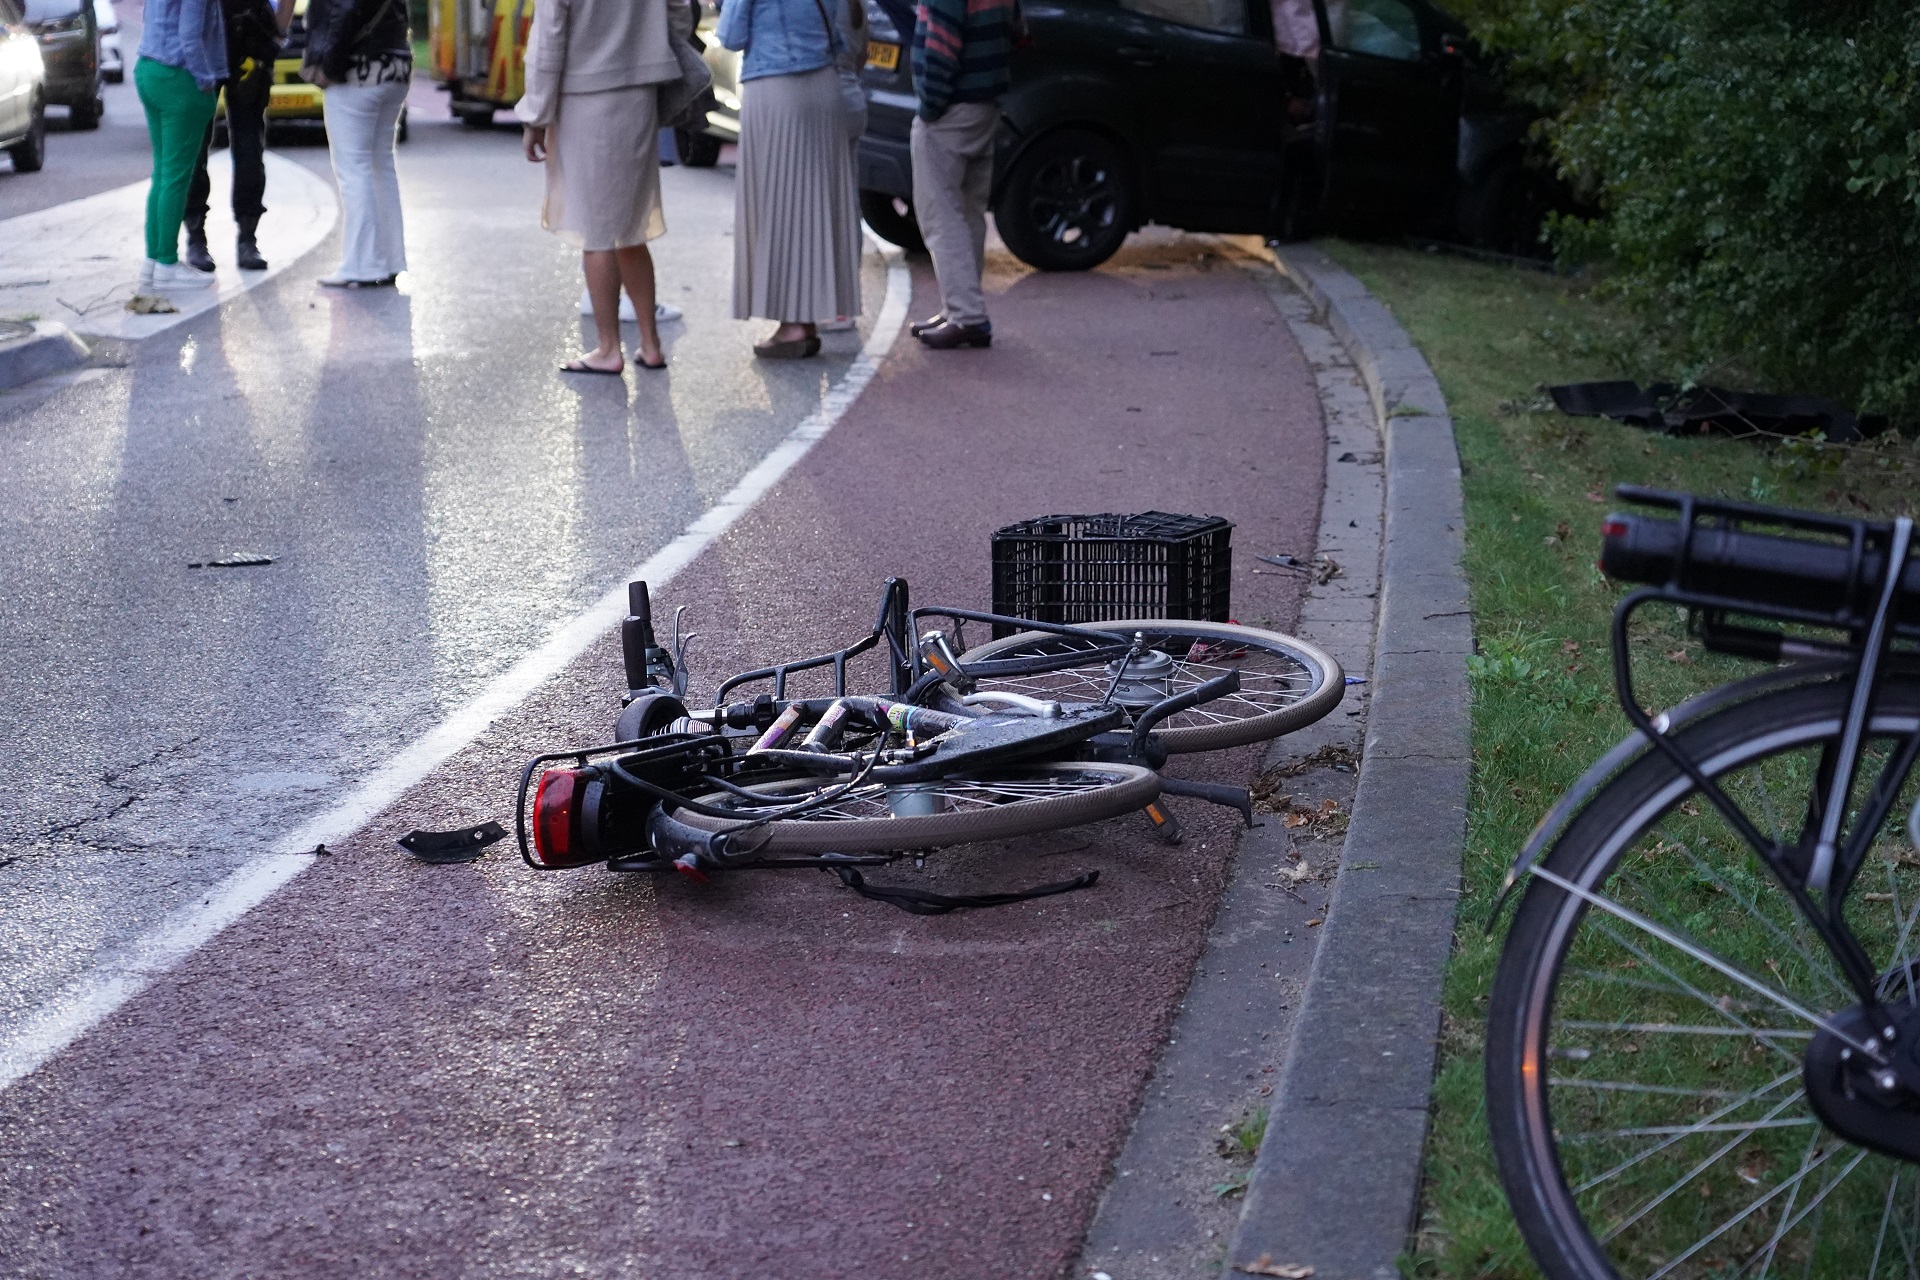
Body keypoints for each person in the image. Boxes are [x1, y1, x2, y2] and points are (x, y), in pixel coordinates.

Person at [517, 0, 692, 374]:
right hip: (639, 95)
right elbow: (679, 10)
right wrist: (648, 49)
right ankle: (650, 342)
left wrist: (536, 115)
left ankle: (609, 347)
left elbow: (548, 39)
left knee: (595, 231)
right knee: (631, 225)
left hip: (584, 96)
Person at [717, 0, 865, 359]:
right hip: (825, 87)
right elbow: (846, 36)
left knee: (778, 207)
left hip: (777, 87)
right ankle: (811, 316)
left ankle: (793, 325)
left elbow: (730, 36)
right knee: (815, 206)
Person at [907, 0, 1023, 349]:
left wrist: (929, 108)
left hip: (951, 110)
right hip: (986, 105)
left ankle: (966, 315)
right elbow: (1019, 32)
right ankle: (958, 307)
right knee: (969, 209)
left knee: (940, 213)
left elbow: (942, 49)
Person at [303, 0, 411, 288]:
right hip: (396, 66)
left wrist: (329, 65)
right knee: (381, 165)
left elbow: (345, 9)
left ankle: (361, 264)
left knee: (354, 168)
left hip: (358, 70)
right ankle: (390, 259)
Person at [182, 0, 291, 273]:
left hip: (250, 38)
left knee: (249, 145)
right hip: (206, 41)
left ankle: (247, 236)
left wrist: (278, 33)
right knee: (197, 144)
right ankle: (196, 235)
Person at [134, 0, 227, 295]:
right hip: (179, 76)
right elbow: (190, 35)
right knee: (176, 177)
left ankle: (154, 261)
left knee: (163, 174)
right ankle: (167, 264)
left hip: (149, 68)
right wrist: (205, 79)